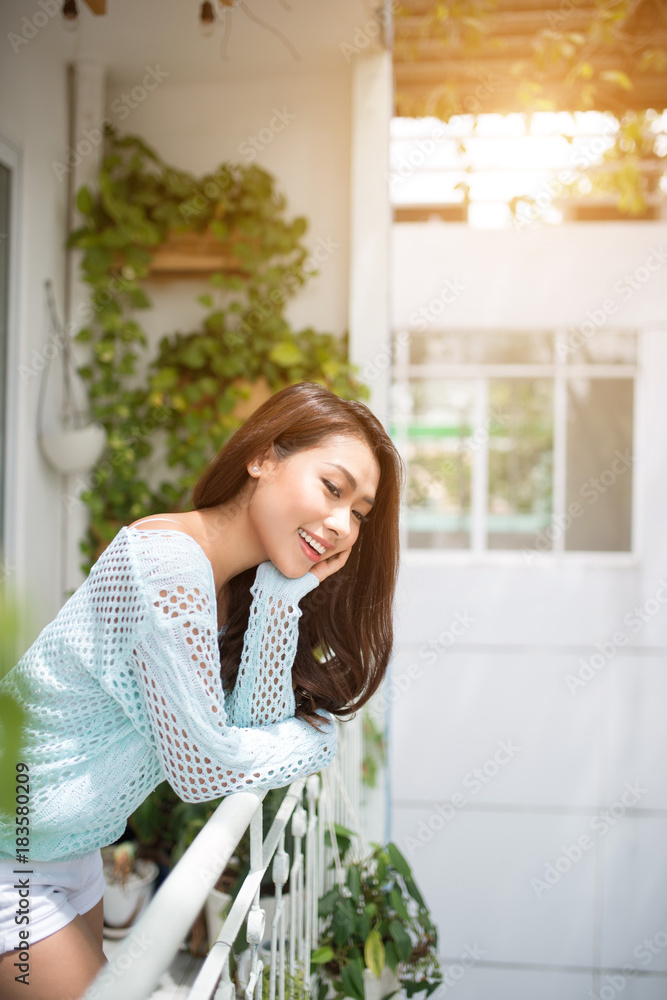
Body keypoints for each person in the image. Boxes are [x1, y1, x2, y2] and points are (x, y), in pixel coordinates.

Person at [0, 381, 403, 999]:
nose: (342, 524)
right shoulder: (165, 566)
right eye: (333, 488)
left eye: (359, 513)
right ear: (263, 457)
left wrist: (276, 597)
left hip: (65, 851)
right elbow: (202, 767)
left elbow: (245, 731)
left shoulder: (224, 585)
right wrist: (315, 742)